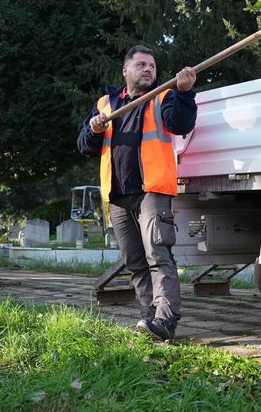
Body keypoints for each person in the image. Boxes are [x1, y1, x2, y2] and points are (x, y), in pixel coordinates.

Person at [77, 45, 197, 341]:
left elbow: (181, 124)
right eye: (142, 65)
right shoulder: (106, 103)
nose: (148, 70)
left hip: (151, 191)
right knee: (135, 262)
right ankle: (149, 318)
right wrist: (93, 129)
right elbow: (84, 145)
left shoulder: (165, 95)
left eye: (152, 66)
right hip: (117, 196)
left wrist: (184, 93)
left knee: (158, 255)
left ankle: (166, 319)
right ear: (125, 70)